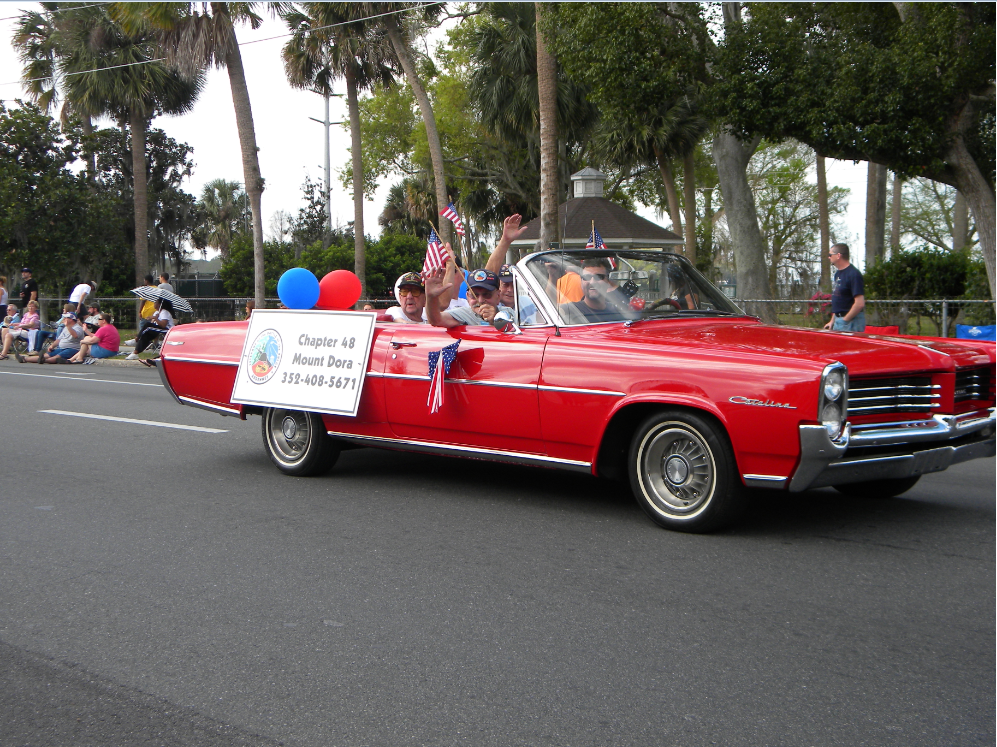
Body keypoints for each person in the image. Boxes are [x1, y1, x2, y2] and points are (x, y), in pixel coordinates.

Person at [561, 258, 634, 324]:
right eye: (587, 277)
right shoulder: (568, 310)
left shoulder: (617, 312)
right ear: (581, 281)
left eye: (598, 277)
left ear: (608, 281)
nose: (592, 282)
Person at [425, 268, 503, 328]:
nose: (480, 300)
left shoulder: (508, 313)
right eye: (474, 295)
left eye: (487, 295)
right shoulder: (464, 314)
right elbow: (436, 320)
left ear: (498, 296)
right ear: (467, 297)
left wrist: (497, 320)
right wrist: (431, 297)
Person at [824, 243, 866, 332]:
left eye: (830, 255)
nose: (829, 257)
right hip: (838, 321)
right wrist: (832, 320)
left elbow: (859, 303)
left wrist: (845, 320)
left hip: (852, 322)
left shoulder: (854, 274)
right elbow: (839, 300)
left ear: (838, 255)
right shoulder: (837, 274)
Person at [15, 311, 83, 364]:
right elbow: (59, 339)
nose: (64, 319)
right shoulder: (66, 328)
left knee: (57, 357)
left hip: (72, 349)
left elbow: (75, 335)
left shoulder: (78, 328)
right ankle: (24, 359)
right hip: (62, 348)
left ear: (71, 319)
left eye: (66, 318)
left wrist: (68, 326)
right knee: (47, 354)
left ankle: (44, 361)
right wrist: (52, 346)